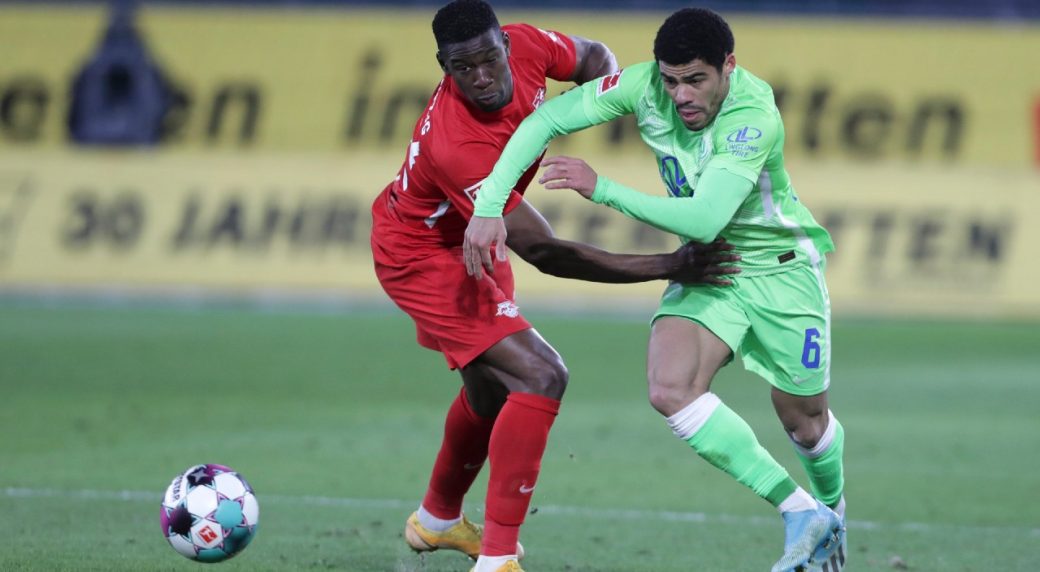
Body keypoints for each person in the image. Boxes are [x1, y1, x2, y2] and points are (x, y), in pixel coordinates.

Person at [463, 7, 847, 572]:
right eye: (671, 80)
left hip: (782, 272)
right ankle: (800, 511)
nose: (681, 95)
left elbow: (705, 219)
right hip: (713, 270)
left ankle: (834, 513)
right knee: (670, 387)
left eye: (696, 80)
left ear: (728, 67)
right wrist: (488, 205)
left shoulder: (752, 116)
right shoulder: (643, 86)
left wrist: (602, 188)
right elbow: (545, 120)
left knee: (804, 422)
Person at [369, 2, 739, 571]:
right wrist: (669, 264)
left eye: (490, 59)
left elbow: (596, 59)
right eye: (463, 68)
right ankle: (498, 559)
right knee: (541, 375)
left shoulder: (529, 44)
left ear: (505, 45)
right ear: (444, 66)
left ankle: (436, 520)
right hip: (421, 253)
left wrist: (581, 113)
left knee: (490, 390)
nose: (482, 78)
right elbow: (545, 252)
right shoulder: (457, 146)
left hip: (474, 239)